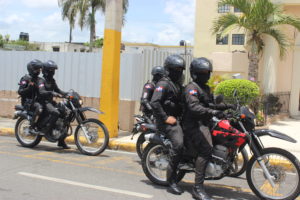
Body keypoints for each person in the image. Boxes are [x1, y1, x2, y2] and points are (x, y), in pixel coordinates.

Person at [182, 57, 235, 200]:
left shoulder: (205, 88)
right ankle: (197, 188)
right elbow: (194, 107)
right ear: (194, 73)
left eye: (207, 72)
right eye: (202, 72)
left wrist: (227, 106)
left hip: (205, 121)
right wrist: (212, 112)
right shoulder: (191, 88)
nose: (206, 75)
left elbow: (210, 104)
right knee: (206, 149)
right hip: (193, 124)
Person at [150, 54, 185, 195]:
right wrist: (165, 118)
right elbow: (155, 102)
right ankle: (171, 182)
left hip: (178, 119)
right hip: (167, 123)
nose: (178, 72)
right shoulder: (163, 84)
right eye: (175, 69)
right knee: (178, 145)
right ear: (168, 69)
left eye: (180, 69)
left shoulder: (177, 84)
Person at [37, 60, 69, 149]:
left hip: (50, 102)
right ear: (46, 71)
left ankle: (61, 141)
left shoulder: (52, 80)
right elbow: (41, 91)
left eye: (53, 70)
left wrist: (67, 94)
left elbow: (58, 90)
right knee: (55, 113)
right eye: (51, 70)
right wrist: (52, 93)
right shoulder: (41, 80)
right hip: (44, 102)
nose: (53, 72)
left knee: (64, 114)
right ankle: (47, 132)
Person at [18, 59, 43, 134]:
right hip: (27, 102)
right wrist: (29, 88)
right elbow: (20, 91)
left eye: (39, 69)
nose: (38, 70)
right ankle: (32, 127)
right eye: (37, 68)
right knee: (39, 107)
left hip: (36, 101)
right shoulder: (25, 78)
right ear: (31, 68)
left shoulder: (39, 79)